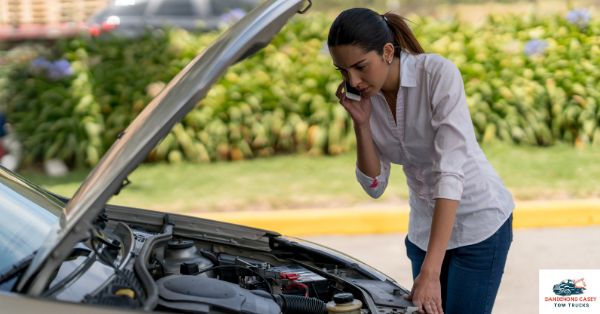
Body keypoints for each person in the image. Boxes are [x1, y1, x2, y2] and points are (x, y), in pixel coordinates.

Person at [327, 8, 514, 314]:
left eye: (361, 67)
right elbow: (374, 185)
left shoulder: (437, 75)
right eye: (343, 71)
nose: (354, 80)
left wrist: (430, 272)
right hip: (423, 234)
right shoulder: (366, 98)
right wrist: (361, 124)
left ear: (387, 52)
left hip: (478, 226)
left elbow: (449, 173)